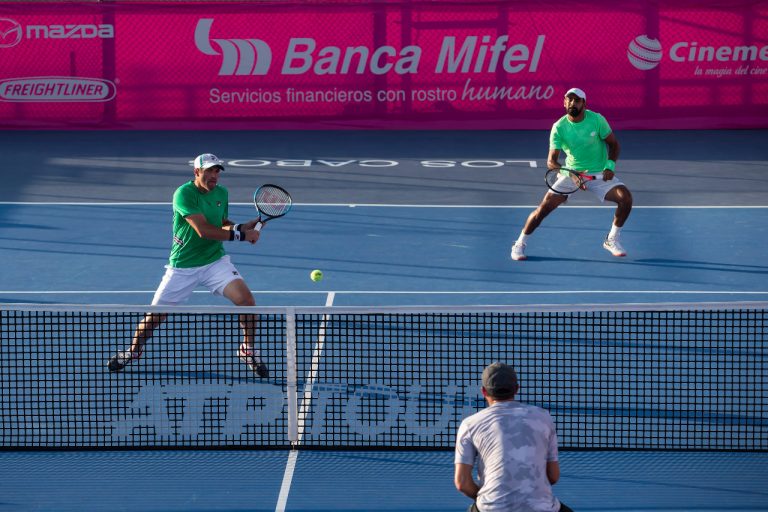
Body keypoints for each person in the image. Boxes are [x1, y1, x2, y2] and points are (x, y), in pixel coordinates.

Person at [107, 153, 269, 377]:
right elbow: (203, 230)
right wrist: (243, 236)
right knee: (155, 316)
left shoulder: (222, 192)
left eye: (217, 171)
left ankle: (247, 350)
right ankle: (133, 351)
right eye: (209, 170)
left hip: (214, 262)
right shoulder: (184, 194)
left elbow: (220, 223)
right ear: (197, 172)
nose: (214, 175)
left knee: (247, 301)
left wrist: (242, 227)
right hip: (183, 266)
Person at [511, 87, 632, 260]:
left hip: (599, 173)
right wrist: (571, 174)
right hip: (570, 172)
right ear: (564, 102)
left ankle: (611, 239)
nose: (572, 103)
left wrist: (609, 166)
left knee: (625, 198)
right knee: (543, 209)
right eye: (569, 99)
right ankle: (519, 243)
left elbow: (614, 144)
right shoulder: (559, 127)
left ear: (584, 104)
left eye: (576, 100)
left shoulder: (597, 120)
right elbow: (551, 161)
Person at [454, 362, 573, 512]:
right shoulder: (543, 417)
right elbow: (553, 476)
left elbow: (462, 483)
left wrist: (491, 499)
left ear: (483, 391)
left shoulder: (469, 424)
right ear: (516, 389)